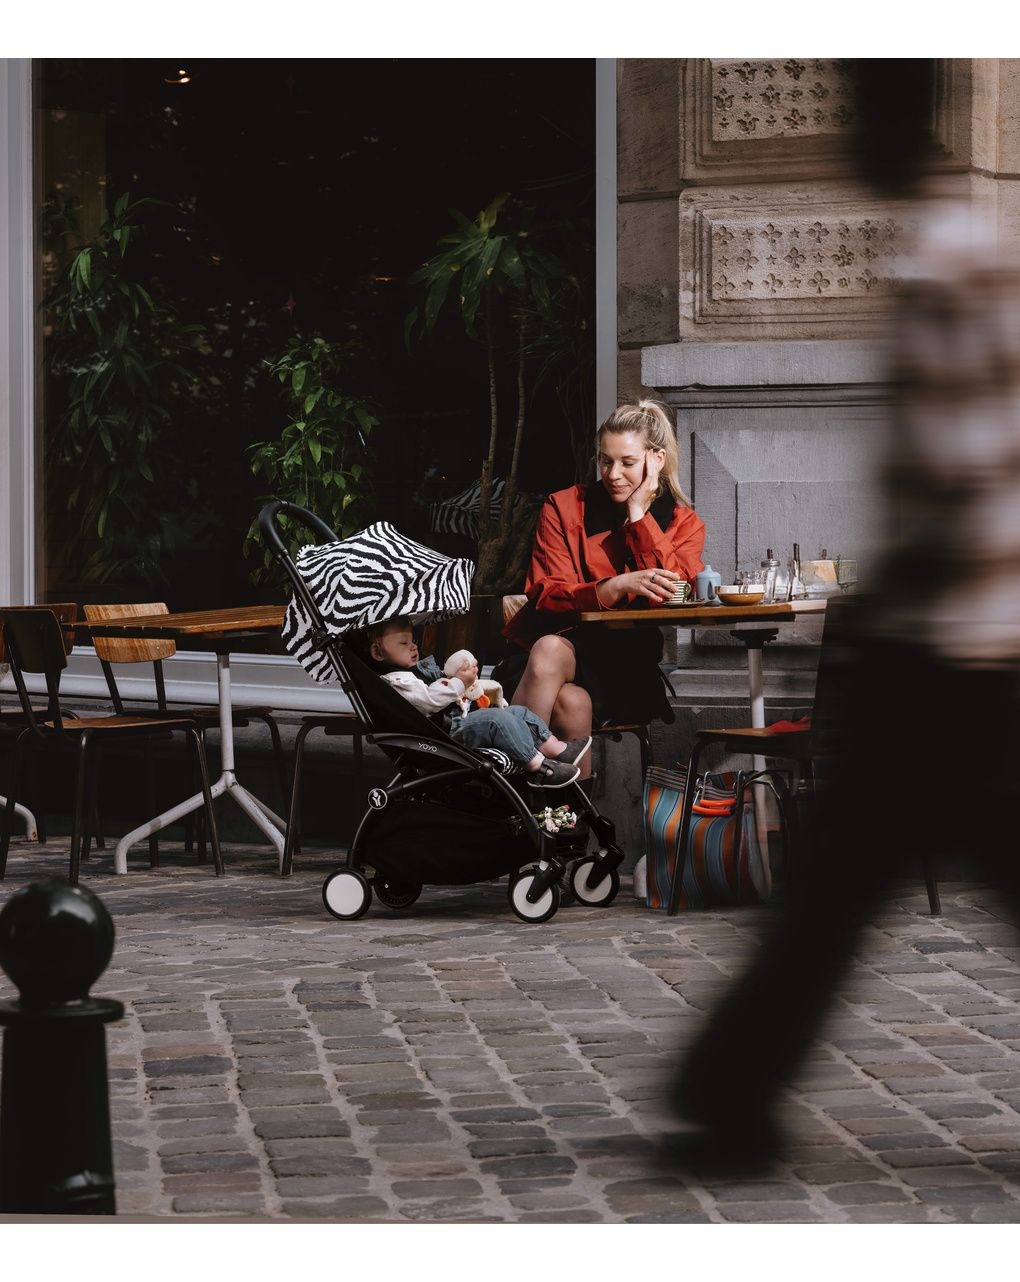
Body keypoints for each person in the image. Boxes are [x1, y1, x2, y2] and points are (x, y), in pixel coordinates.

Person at [663, 58, 1020, 1172]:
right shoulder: (970, 253)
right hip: (967, 634)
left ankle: (726, 1098)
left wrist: (879, 611)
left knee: (841, 887)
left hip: (948, 642)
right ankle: (727, 1096)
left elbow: (966, 471)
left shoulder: (950, 266)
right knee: (856, 880)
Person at [495, 399, 706, 778]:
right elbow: (547, 592)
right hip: (544, 653)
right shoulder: (564, 507)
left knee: (572, 698)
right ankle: (571, 825)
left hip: (622, 662)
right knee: (568, 695)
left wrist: (639, 514)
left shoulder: (683, 523)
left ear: (656, 459)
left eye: (627, 462)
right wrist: (612, 588)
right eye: (605, 461)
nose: (612, 474)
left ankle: (507, 795)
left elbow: (674, 593)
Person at [359, 616, 591, 787]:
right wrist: (458, 682)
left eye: (413, 641)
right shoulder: (397, 682)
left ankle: (557, 749)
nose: (413, 647)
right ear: (378, 653)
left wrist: (457, 677)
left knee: (517, 712)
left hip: (458, 720)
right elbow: (430, 701)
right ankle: (539, 768)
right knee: (497, 720)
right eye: (403, 643)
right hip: (445, 733)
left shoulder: (412, 672)